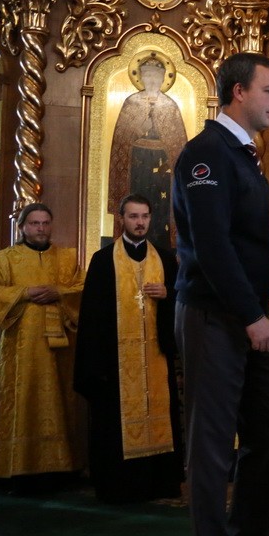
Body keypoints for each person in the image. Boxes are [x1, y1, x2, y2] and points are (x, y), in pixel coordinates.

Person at [172, 52, 269, 536]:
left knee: (266, 437)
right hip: (215, 316)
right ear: (237, 92)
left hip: (248, 315)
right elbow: (212, 245)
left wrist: (257, 313)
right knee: (211, 445)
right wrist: (252, 316)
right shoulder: (207, 154)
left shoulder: (245, 156)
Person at [74, 194, 183, 503]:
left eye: (145, 216)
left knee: (160, 415)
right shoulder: (103, 260)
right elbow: (92, 315)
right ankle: (119, 487)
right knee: (114, 422)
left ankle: (160, 483)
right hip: (115, 362)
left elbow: (183, 299)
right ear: (122, 219)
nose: (140, 222)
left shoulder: (165, 258)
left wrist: (169, 294)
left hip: (157, 356)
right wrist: (96, 365)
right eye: (133, 216)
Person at [0, 203, 85, 494]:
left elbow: (83, 289)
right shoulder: (5, 260)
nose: (41, 228)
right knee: (23, 402)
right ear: (22, 227)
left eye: (46, 223)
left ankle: (60, 470)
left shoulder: (67, 258)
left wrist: (59, 292)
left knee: (59, 403)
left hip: (60, 350)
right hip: (19, 350)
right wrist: (24, 293)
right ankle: (16, 471)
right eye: (35, 223)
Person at [107, 52, 188, 250]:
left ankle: (163, 248)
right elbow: (121, 140)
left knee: (160, 212)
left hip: (163, 169)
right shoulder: (131, 103)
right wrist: (138, 129)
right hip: (137, 165)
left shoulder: (170, 106)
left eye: (156, 76)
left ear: (163, 78)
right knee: (135, 204)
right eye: (148, 75)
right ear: (141, 77)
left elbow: (178, 144)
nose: (152, 80)